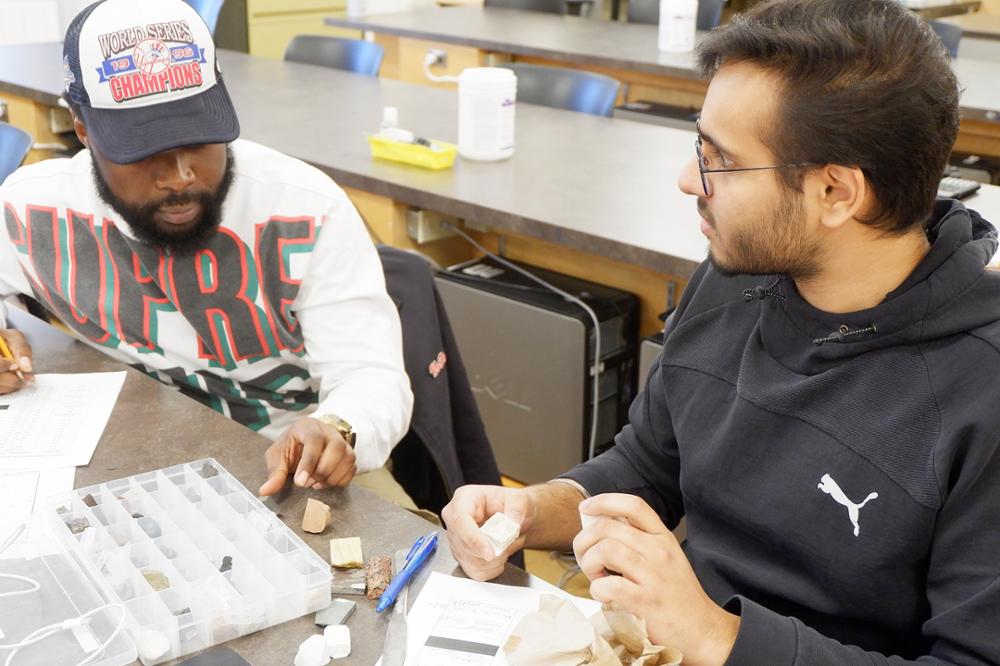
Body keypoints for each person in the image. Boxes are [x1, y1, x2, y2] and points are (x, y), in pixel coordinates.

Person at [442, 0, 1000, 663]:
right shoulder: (741, 270)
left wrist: (713, 633)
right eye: (695, 146)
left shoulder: (980, 392)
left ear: (836, 193)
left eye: (719, 161)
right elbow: (646, 465)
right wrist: (530, 512)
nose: (687, 181)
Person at [0, 0, 414, 502]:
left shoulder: (306, 208)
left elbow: (371, 374)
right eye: (144, 149)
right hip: (135, 444)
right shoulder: (30, 209)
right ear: (83, 129)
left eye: (198, 139)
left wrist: (338, 428)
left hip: (288, 462)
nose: (180, 176)